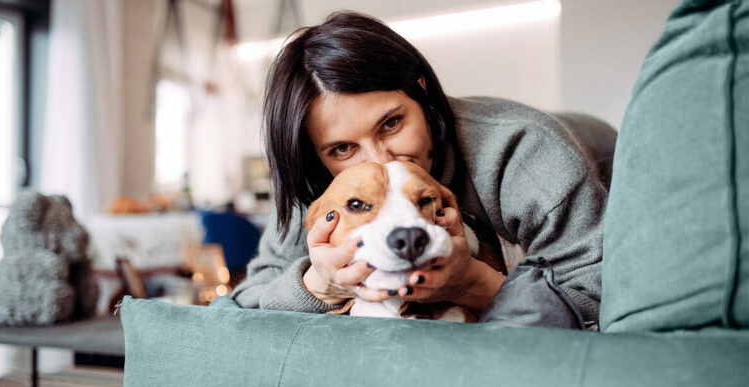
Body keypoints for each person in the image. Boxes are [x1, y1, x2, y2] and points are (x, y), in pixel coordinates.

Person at [230, 11, 616, 326]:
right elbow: (245, 301)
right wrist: (321, 286)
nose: (380, 163)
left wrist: (474, 286)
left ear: (421, 91)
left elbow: (603, 300)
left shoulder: (527, 153)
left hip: (600, 152)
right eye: (344, 148)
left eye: (391, 124)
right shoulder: (323, 186)